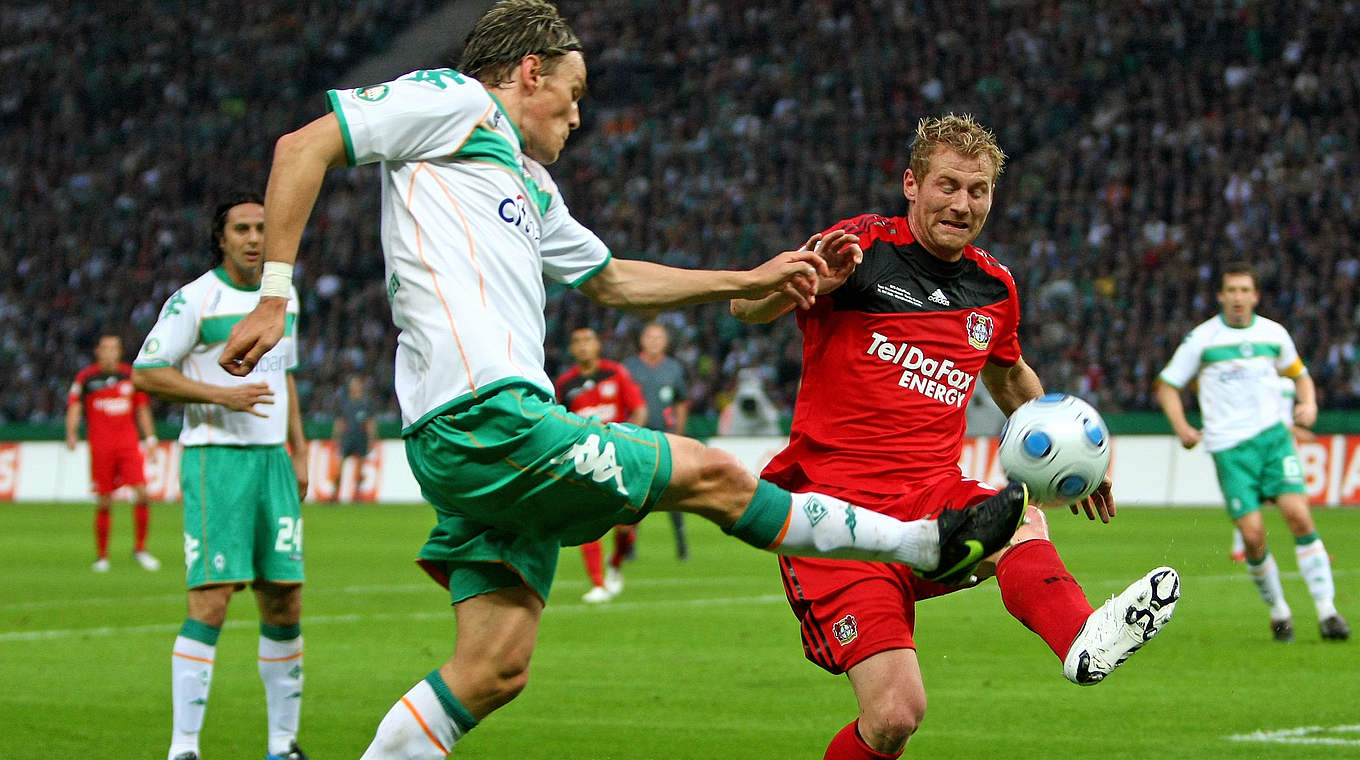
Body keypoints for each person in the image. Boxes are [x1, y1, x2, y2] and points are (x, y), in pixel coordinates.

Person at [219, 3, 1027, 756]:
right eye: (571, 97)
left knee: (493, 667)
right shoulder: (453, 100)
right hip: (486, 419)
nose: (578, 117)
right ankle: (918, 542)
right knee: (710, 473)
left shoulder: (528, 185)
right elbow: (304, 146)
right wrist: (275, 297)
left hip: (480, 438)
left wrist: (748, 280)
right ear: (528, 73)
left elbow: (611, 280)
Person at [732, 113, 1181, 759]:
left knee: (1020, 520)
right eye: (948, 186)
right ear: (912, 184)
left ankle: (1084, 636)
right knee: (894, 716)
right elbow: (744, 306)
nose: (961, 204)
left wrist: (1088, 455)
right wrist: (800, 282)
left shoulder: (993, 288)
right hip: (832, 511)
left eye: (978, 191)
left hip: (930, 495)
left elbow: (1010, 377)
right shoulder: (860, 248)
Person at [132, 192, 311, 760]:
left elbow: (284, 377)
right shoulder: (194, 300)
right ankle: (183, 748)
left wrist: (300, 449)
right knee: (210, 601)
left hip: (273, 463)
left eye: (262, 227)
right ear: (222, 238)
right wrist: (221, 396)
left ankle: (282, 746)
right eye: (242, 229)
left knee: (285, 599)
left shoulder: (285, 299)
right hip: (216, 459)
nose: (255, 238)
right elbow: (147, 373)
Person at [1157, 262, 1349, 643]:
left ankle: (1328, 612)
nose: (1238, 297)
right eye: (1232, 290)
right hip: (1230, 450)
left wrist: (1308, 404)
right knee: (1253, 536)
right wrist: (1182, 427)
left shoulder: (1274, 334)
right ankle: (1280, 612)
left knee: (1298, 516)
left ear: (1255, 296)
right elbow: (1167, 385)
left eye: (1245, 290)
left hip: (1273, 441)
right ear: (1221, 296)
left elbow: (1300, 375)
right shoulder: (1202, 339)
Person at [554, 326, 647, 602]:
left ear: (598, 345)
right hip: (584, 458)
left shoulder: (615, 373)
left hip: (619, 455)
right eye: (577, 342)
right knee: (588, 517)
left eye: (588, 341)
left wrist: (632, 440)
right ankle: (597, 583)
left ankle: (616, 562)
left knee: (626, 526)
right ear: (572, 349)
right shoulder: (565, 384)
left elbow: (639, 409)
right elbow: (559, 420)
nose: (583, 346)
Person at [65, 333, 162, 572]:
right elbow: (75, 405)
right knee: (104, 501)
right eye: (105, 347)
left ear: (119, 351)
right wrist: (71, 432)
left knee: (142, 494)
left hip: (128, 445)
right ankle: (102, 556)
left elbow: (141, 408)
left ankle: (140, 550)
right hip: (101, 447)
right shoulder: (87, 378)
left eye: (114, 348)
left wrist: (150, 438)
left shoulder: (130, 376)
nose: (109, 352)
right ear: (98, 351)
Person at [622, 321, 692, 560]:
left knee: (672, 489)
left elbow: (681, 401)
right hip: (636, 437)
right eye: (650, 337)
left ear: (666, 342)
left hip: (666, 436)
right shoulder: (628, 367)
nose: (654, 342)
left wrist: (679, 430)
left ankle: (681, 542)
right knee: (634, 489)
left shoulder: (673, 368)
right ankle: (629, 544)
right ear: (642, 340)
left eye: (659, 338)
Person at [332, 375, 379, 501]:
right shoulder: (344, 403)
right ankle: (335, 493)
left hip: (361, 437)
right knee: (340, 466)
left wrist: (372, 439)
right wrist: (336, 437)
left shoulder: (366, 403)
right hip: (347, 437)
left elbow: (370, 422)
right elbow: (339, 421)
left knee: (360, 467)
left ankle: (357, 495)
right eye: (353, 384)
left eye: (357, 384)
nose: (355, 386)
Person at [716, 367, 782, 436]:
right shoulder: (730, 410)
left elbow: (774, 420)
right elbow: (723, 436)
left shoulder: (766, 407)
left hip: (763, 432)